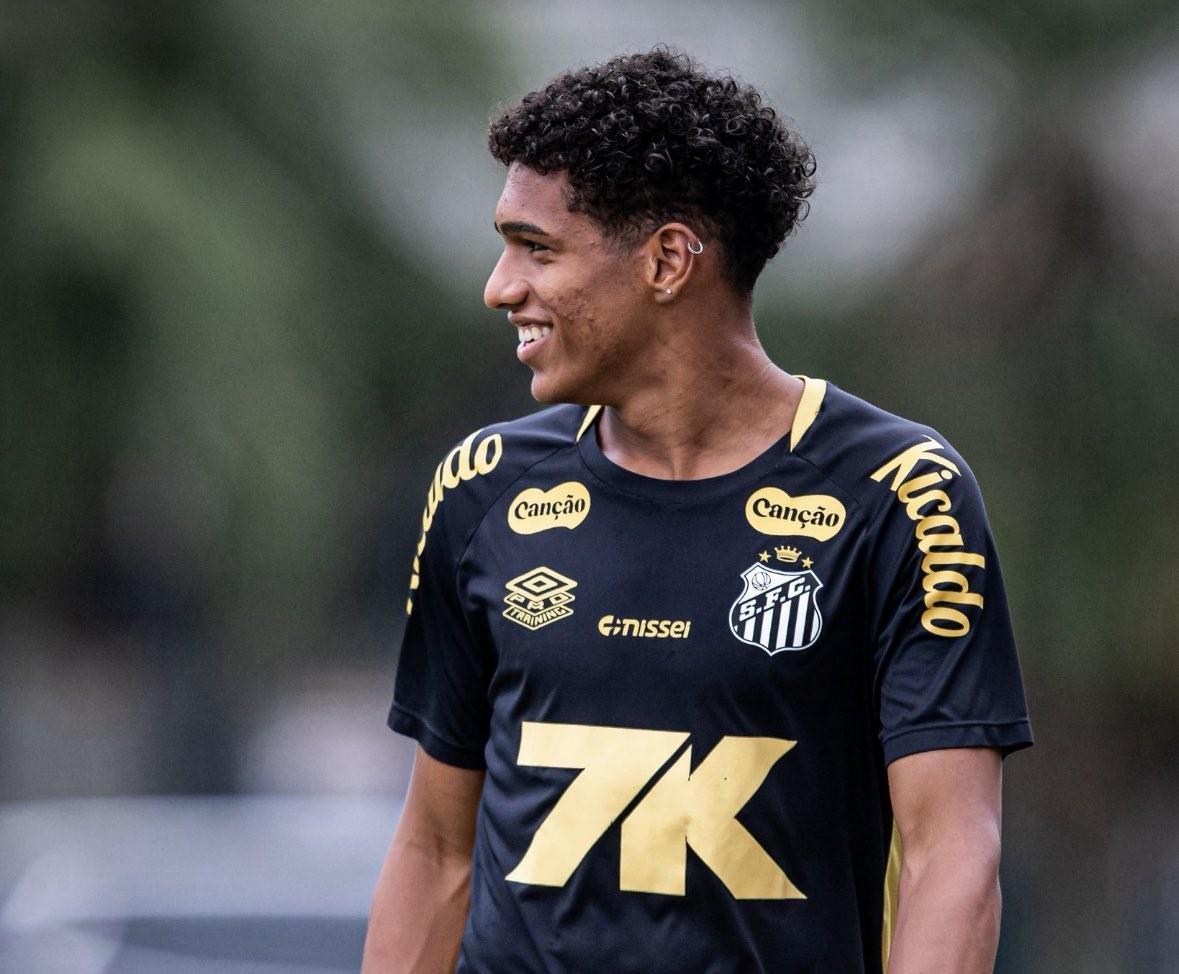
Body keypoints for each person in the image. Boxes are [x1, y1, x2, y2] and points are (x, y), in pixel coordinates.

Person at [361, 47, 1032, 974]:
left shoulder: (900, 495)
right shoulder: (482, 490)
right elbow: (436, 851)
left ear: (667, 260)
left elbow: (950, 857)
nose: (500, 286)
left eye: (537, 248)